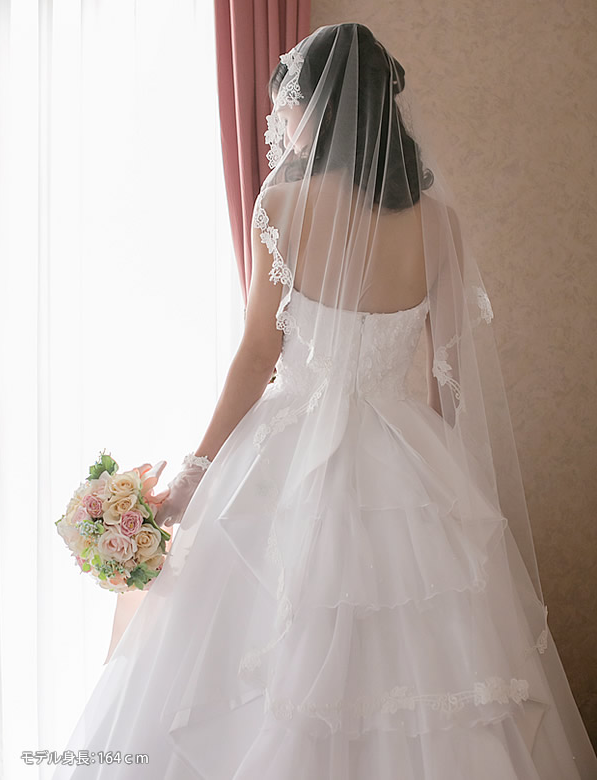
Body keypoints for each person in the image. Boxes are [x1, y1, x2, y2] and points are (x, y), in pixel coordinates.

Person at [51, 23, 597, 779]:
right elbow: (448, 377)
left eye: (291, 103)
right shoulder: (438, 223)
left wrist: (196, 470)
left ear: (320, 107)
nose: (281, 118)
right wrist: (447, 489)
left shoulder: (281, 207)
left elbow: (257, 355)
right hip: (407, 458)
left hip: (286, 446)